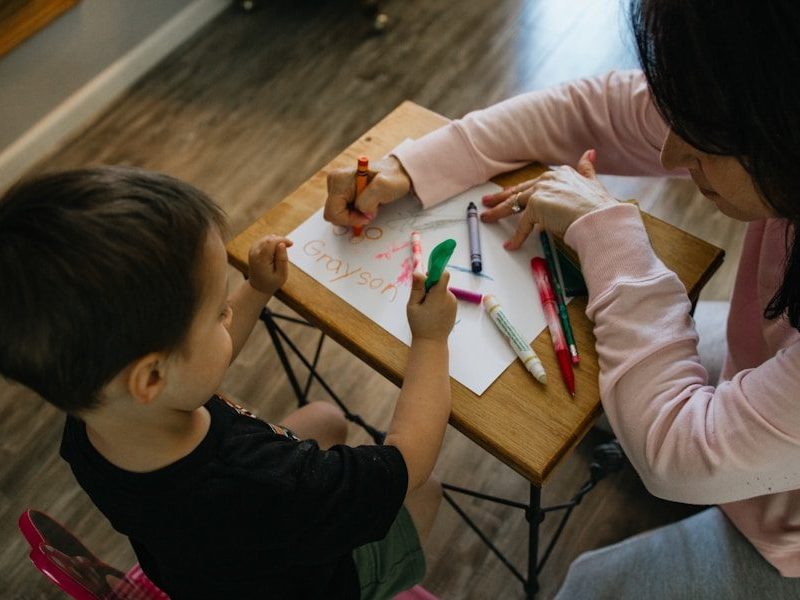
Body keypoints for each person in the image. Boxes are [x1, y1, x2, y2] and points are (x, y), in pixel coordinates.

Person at [323, 0, 800, 597]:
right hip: (763, 377)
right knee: (610, 379)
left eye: (703, 142)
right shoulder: (767, 98)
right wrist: (411, 165)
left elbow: (679, 452)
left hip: (787, 541)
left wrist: (610, 233)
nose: (669, 156)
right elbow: (595, 109)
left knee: (588, 584)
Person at [0, 166, 457, 599]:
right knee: (428, 489)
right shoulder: (267, 485)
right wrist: (432, 339)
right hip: (316, 584)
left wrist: (255, 289)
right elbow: (408, 462)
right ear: (152, 376)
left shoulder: (93, 413)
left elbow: (192, 370)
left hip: (206, 574)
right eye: (219, 312)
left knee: (325, 417)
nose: (228, 314)